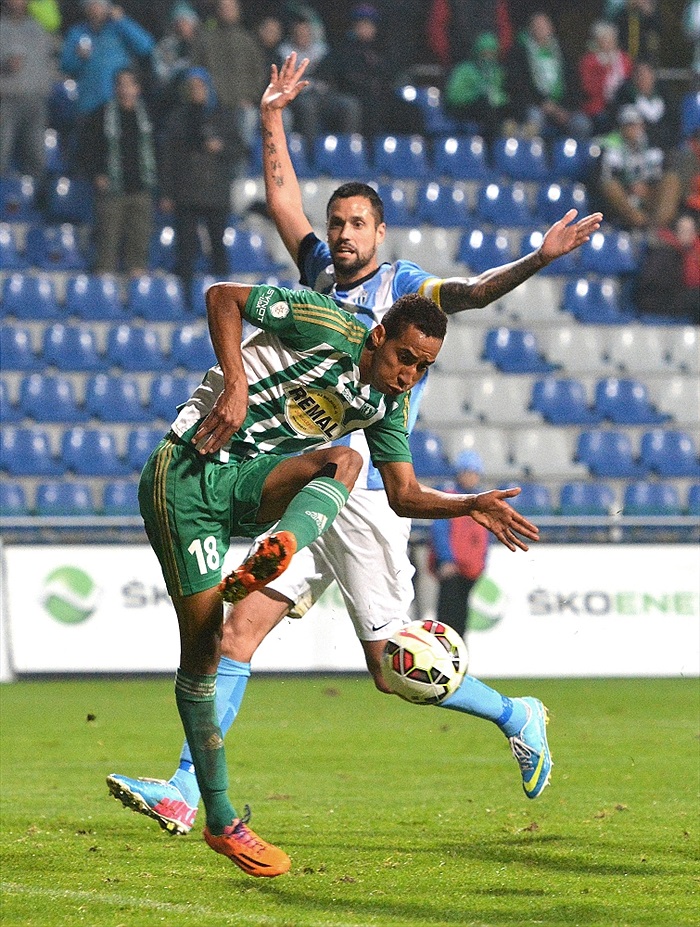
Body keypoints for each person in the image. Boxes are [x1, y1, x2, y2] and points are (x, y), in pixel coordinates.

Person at [107, 55, 602, 850]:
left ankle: (518, 713)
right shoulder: (316, 280)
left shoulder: (407, 289)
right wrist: (271, 114)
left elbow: (472, 293)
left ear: (380, 232)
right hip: (309, 473)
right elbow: (280, 199)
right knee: (235, 635)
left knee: (388, 665)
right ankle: (184, 788)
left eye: (355, 225)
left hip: (365, 487)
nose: (340, 236)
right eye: (335, 225)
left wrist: (538, 259)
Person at [113, 277, 539, 879]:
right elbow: (221, 297)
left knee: (348, 458)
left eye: (424, 368)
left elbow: (404, 495)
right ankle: (221, 818)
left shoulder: (383, 404)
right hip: (185, 474)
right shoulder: (327, 323)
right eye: (404, 358)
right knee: (205, 653)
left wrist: (467, 504)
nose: (409, 375)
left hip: (247, 483)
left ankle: (285, 545)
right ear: (380, 335)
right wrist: (234, 385)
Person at [159, 66, 241, 295]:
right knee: (185, 249)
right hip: (186, 191)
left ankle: (225, 300)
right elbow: (168, 158)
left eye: (200, 86)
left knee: (218, 247)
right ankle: (185, 297)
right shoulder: (177, 119)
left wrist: (221, 148)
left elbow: (239, 149)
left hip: (215, 192)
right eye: (191, 87)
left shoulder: (223, 116)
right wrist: (167, 192)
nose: (196, 91)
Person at [79, 67, 156, 276]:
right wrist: (96, 174)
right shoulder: (101, 115)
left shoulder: (149, 116)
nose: (125, 89)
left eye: (130, 84)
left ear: (138, 88)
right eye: (121, 84)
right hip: (112, 191)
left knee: (139, 245)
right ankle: (104, 293)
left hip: (141, 189)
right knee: (107, 242)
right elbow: (86, 149)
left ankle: (138, 294)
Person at [429, 450, 490, 641]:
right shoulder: (449, 497)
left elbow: (484, 539)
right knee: (447, 620)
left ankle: (457, 663)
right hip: (452, 569)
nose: (470, 477)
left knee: (460, 620)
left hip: (469, 571)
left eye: (474, 473)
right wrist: (446, 559)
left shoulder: (481, 502)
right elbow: (440, 532)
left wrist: (481, 564)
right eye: (467, 472)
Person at [191, 0, 267, 152]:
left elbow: (259, 73)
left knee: (252, 121)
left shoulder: (248, 40)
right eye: (224, 7)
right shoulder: (205, 40)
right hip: (215, 107)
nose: (227, 11)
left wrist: (251, 98)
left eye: (231, 7)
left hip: (245, 104)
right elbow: (196, 73)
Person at [60, 0, 155, 117]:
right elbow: (65, 66)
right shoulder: (77, 32)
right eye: (91, 6)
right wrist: (78, 57)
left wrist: (123, 21)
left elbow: (146, 46)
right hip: (88, 104)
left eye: (99, 5)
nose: (95, 10)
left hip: (118, 102)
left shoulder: (118, 28)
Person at [506, 12, 590, 139]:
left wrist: (563, 108)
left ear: (551, 28)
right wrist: (542, 103)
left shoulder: (564, 53)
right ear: (530, 29)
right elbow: (519, 85)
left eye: (543, 26)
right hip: (535, 105)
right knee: (534, 119)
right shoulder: (520, 54)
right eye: (537, 26)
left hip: (562, 107)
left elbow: (574, 84)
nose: (540, 29)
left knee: (582, 124)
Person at [0, 0, 56, 179]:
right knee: (2, 151)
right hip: (6, 99)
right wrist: (4, 65)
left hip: (36, 99)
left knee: (36, 155)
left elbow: (50, 60)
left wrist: (45, 87)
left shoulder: (38, 28)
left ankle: (36, 202)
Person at [597, 103, 664, 229]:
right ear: (622, 127)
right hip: (624, 197)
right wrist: (629, 187)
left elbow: (657, 177)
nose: (633, 128)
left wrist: (646, 189)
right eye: (629, 125)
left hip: (648, 195)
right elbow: (608, 179)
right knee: (610, 185)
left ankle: (657, 226)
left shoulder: (653, 148)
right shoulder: (613, 149)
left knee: (668, 182)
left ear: (642, 126)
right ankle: (639, 221)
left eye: (636, 124)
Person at [444, 32, 513, 141]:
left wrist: (499, 98)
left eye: (492, 52)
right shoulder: (464, 69)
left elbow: (500, 93)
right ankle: (492, 146)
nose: (489, 56)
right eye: (485, 52)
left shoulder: (497, 71)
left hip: (491, 110)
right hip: (465, 109)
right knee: (484, 105)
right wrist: (477, 95)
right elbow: (454, 95)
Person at [633, 214, 700, 323]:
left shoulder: (692, 252)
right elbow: (654, 283)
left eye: (690, 232)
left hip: (674, 297)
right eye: (684, 231)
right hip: (657, 300)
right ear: (676, 232)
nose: (688, 235)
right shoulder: (666, 251)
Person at [578, 20, 633, 136]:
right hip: (599, 106)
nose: (607, 42)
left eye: (610, 38)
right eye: (603, 39)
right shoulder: (589, 61)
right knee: (604, 120)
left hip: (623, 103)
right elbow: (588, 88)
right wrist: (604, 70)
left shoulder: (624, 58)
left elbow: (630, 82)